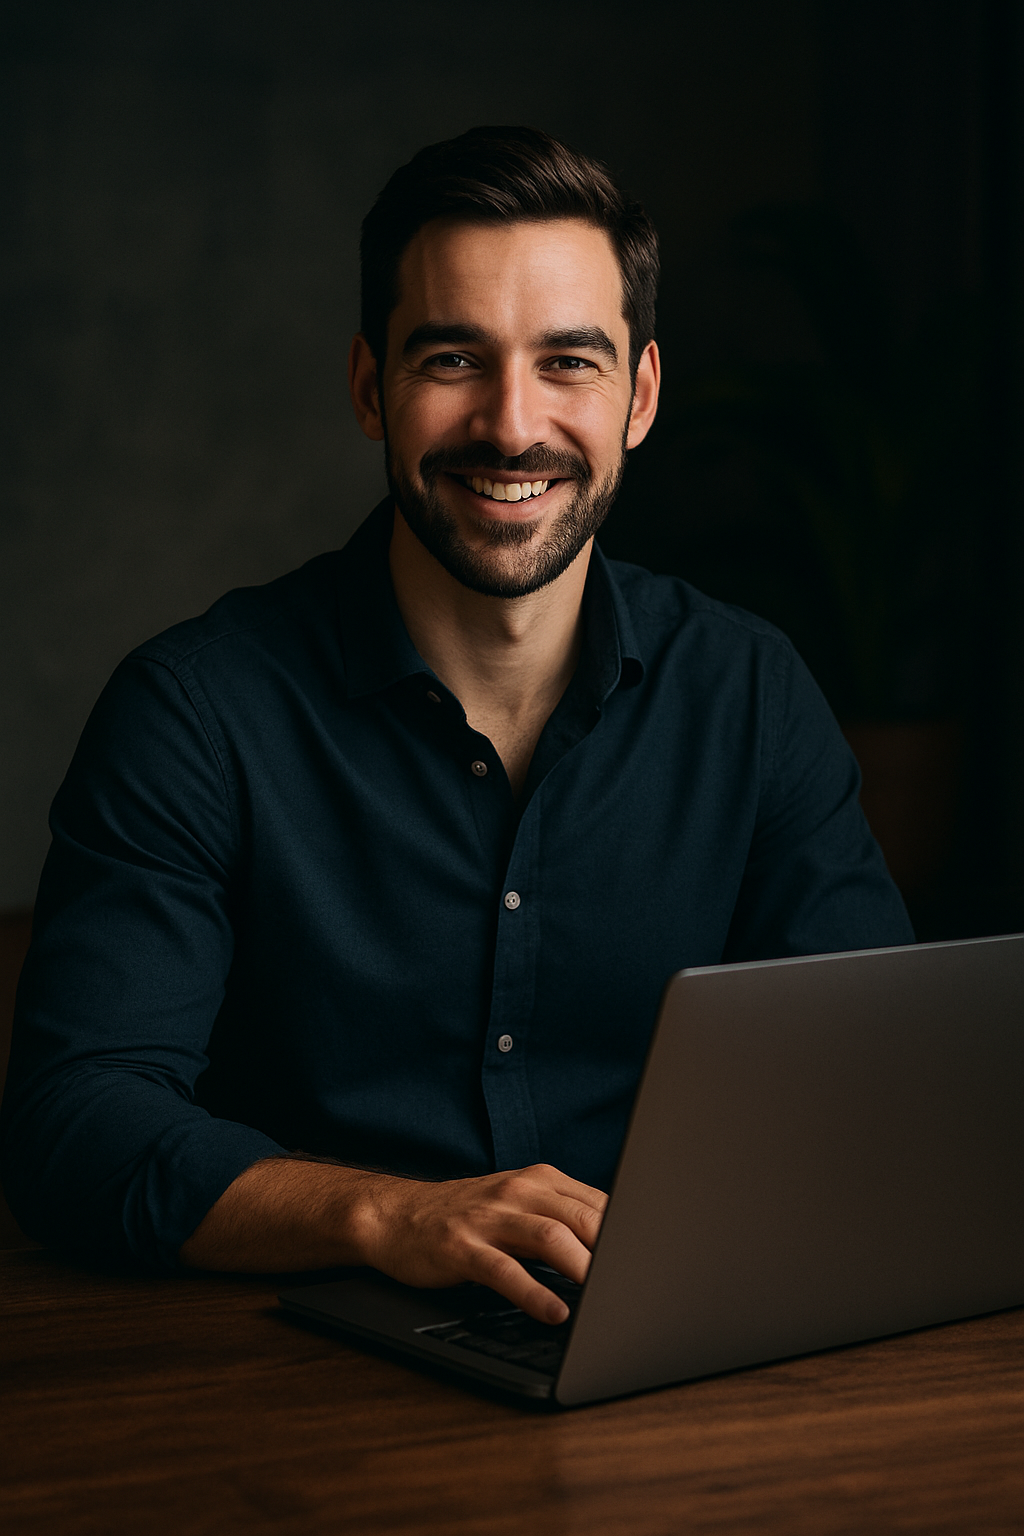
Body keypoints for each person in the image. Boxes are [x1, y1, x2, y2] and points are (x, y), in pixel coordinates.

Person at [0, 127, 913, 1325]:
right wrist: (390, 1215)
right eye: (452, 358)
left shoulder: (748, 693)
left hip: (659, 1356)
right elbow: (79, 1123)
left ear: (638, 397)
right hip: (287, 1383)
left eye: (568, 363)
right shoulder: (194, 714)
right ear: (371, 385)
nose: (510, 424)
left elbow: (880, 1085)